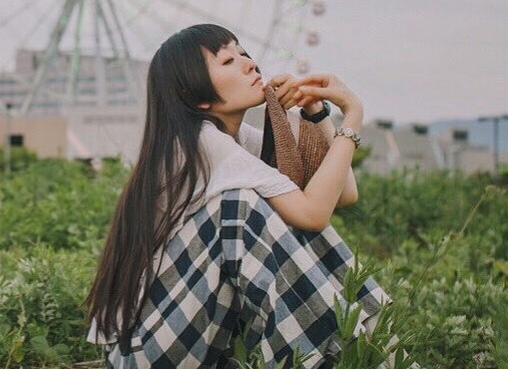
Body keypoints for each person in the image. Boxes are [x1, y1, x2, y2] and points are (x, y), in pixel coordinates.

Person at [85, 24, 391, 368]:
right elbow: (314, 213)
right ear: (199, 97)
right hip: (142, 350)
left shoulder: (234, 139)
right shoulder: (203, 144)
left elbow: (342, 195)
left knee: (282, 218)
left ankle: (373, 352)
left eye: (243, 53)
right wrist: (353, 114)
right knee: (240, 207)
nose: (249, 64)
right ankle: (356, 356)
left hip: (184, 338)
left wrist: (316, 112)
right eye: (228, 61)